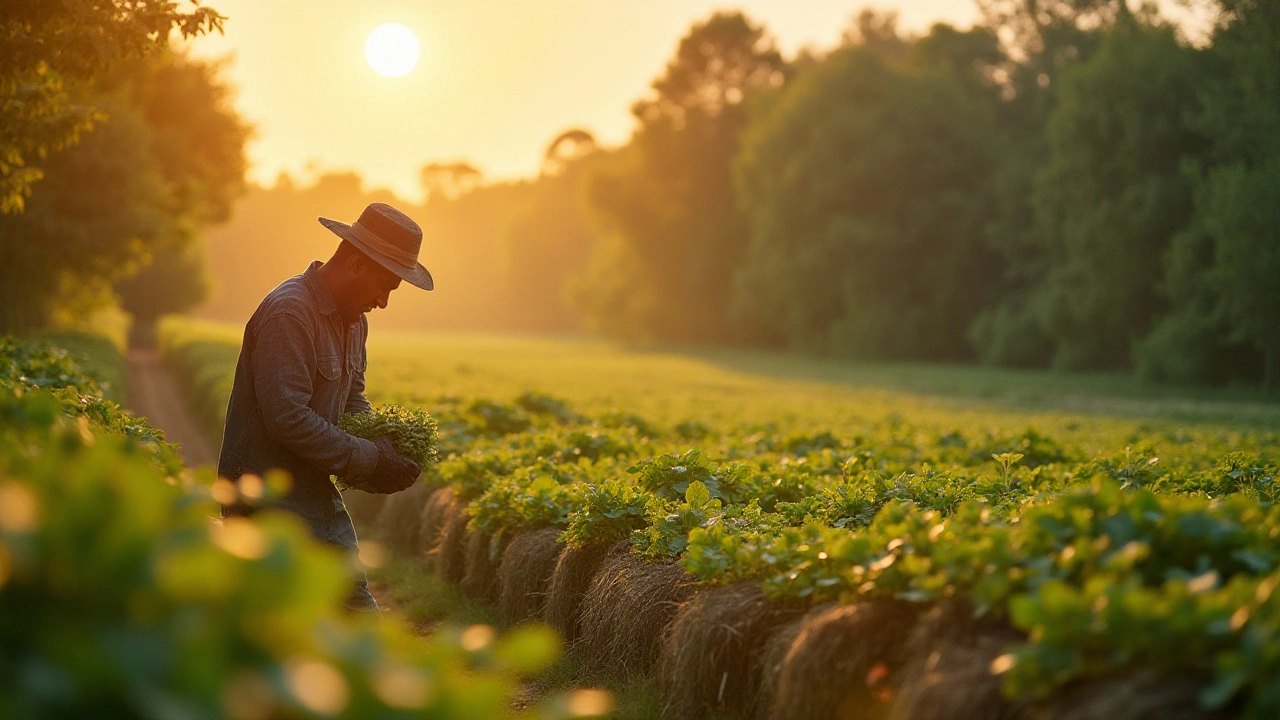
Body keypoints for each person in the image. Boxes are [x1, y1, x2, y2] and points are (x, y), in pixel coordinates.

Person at [216, 202, 433, 612]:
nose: (384, 302)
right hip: (265, 499)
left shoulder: (354, 321)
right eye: (385, 286)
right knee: (312, 622)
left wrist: (384, 445)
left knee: (348, 612)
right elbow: (287, 417)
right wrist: (369, 460)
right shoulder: (290, 312)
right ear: (355, 264)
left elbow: (352, 399)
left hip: (312, 490)